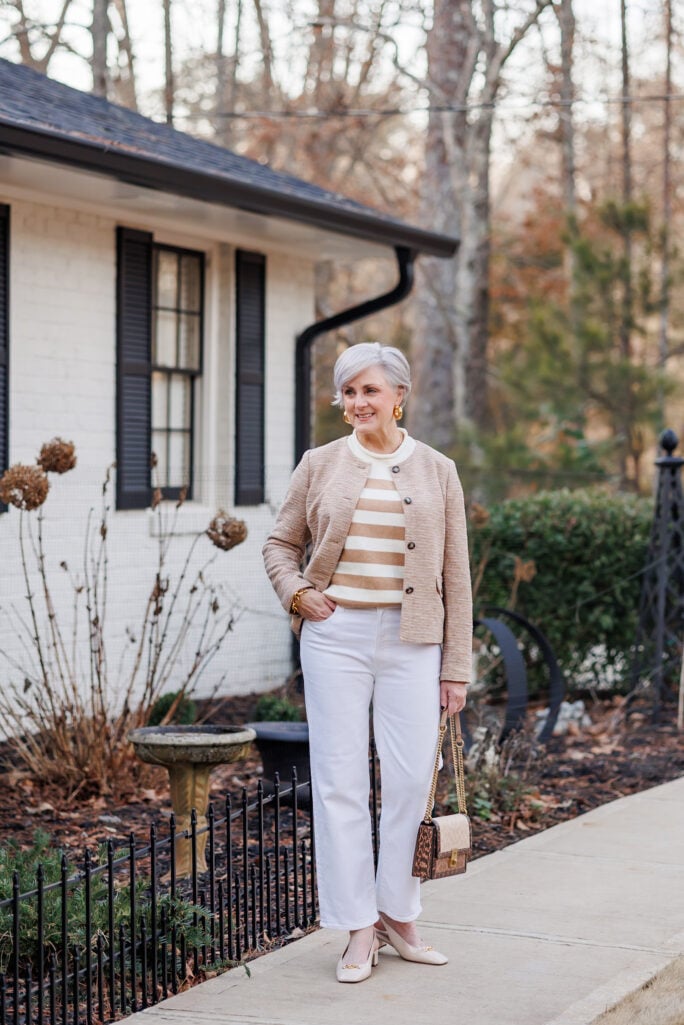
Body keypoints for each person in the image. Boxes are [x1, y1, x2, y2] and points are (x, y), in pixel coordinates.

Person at [262, 342, 472, 983]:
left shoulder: (438, 469)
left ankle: (398, 914)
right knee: (339, 782)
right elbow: (279, 542)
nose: (357, 403)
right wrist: (298, 594)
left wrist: (455, 666)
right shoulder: (320, 463)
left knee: (411, 780)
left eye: (369, 391)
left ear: (398, 396)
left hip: (414, 642)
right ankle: (357, 927)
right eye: (348, 392)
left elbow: (455, 576)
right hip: (336, 637)